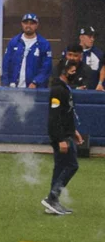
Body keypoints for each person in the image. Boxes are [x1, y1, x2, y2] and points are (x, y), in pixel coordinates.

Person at [44, 45, 83, 214]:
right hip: (62, 136)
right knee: (71, 166)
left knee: (60, 167)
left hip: (67, 134)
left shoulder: (65, 89)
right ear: (64, 71)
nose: (74, 73)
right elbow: (54, 117)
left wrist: (73, 130)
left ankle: (53, 202)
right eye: (71, 70)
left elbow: (66, 113)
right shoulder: (58, 90)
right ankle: (52, 197)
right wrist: (61, 139)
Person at [3, 12, 52, 88]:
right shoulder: (14, 42)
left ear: (37, 25)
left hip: (35, 89)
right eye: (26, 23)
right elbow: (6, 64)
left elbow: (46, 67)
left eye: (32, 23)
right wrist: (6, 82)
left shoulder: (44, 44)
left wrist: (36, 82)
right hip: (13, 88)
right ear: (22, 24)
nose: (28, 26)